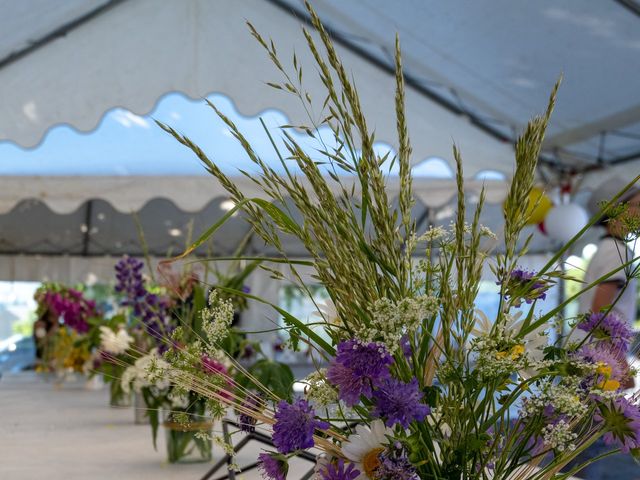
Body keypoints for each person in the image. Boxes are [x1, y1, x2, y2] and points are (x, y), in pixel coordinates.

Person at [578, 176, 640, 325]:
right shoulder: (614, 252)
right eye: (639, 204)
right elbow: (598, 310)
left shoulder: (609, 247)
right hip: (603, 346)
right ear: (618, 210)